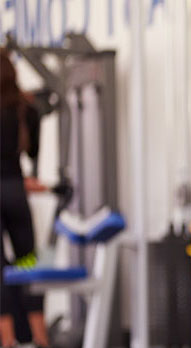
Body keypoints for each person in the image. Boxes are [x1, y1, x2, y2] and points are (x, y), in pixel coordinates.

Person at [0, 48, 50, 348]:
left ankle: (6, 341)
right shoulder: (25, 109)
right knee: (28, 262)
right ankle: (41, 339)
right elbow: (32, 153)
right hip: (16, 192)